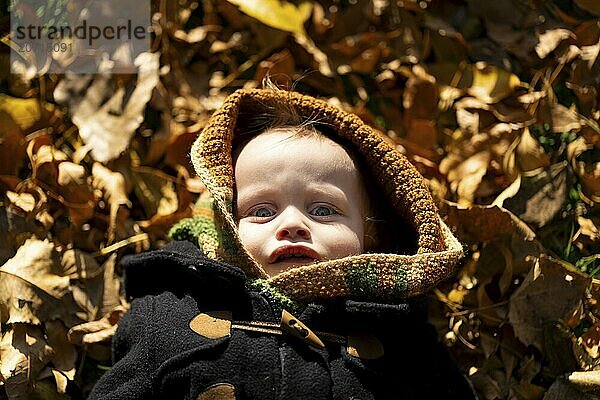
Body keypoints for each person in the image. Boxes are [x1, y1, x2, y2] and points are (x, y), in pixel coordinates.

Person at [88, 87, 477, 399]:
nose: (292, 223)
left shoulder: (402, 337)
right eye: (261, 210)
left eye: (323, 210)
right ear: (226, 224)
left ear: (369, 236)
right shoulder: (168, 310)